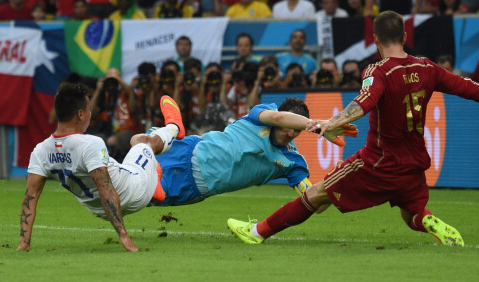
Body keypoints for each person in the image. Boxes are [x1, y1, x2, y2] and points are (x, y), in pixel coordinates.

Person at [227, 10, 479, 246]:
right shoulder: (427, 68)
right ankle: (427, 221)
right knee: (409, 213)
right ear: (404, 35)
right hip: (414, 162)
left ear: (375, 39)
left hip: (379, 160)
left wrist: (332, 123)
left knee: (317, 193)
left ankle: (257, 231)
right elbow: (470, 88)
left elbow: (365, 101)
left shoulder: (378, 70)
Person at [17, 83, 185, 252]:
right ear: (80, 114)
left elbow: (30, 197)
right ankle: (174, 126)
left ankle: (154, 176)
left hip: (101, 211)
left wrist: (24, 243)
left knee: (128, 155)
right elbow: (105, 189)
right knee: (141, 141)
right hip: (135, 190)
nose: (91, 114)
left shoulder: (41, 150)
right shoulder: (91, 143)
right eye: (89, 109)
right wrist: (123, 235)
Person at [148, 97, 357, 206]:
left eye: (298, 130)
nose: (293, 133)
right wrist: (319, 125)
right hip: (187, 149)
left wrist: (336, 184)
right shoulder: (260, 115)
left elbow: (313, 201)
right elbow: (277, 118)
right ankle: (172, 124)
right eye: (292, 126)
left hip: (192, 185)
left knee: (135, 199)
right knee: (136, 155)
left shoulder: (292, 162)